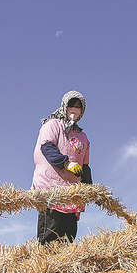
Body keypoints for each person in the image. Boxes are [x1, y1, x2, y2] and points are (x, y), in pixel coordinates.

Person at [32, 91, 92, 244]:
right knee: (50, 237)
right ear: (65, 105)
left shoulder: (82, 136)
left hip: (71, 194)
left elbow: (85, 165)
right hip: (51, 190)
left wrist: (89, 188)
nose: (75, 109)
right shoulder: (53, 124)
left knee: (68, 239)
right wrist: (66, 163)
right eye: (72, 105)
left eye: (78, 107)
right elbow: (47, 147)